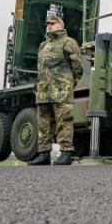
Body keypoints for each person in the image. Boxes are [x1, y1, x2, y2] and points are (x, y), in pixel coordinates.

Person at [28, 15, 83, 166]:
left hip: (61, 90)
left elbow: (77, 67)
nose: (49, 26)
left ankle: (66, 152)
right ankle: (44, 154)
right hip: (44, 90)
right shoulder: (43, 46)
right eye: (48, 24)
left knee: (63, 121)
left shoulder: (68, 42)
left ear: (60, 26)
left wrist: (68, 84)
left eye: (52, 24)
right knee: (43, 123)